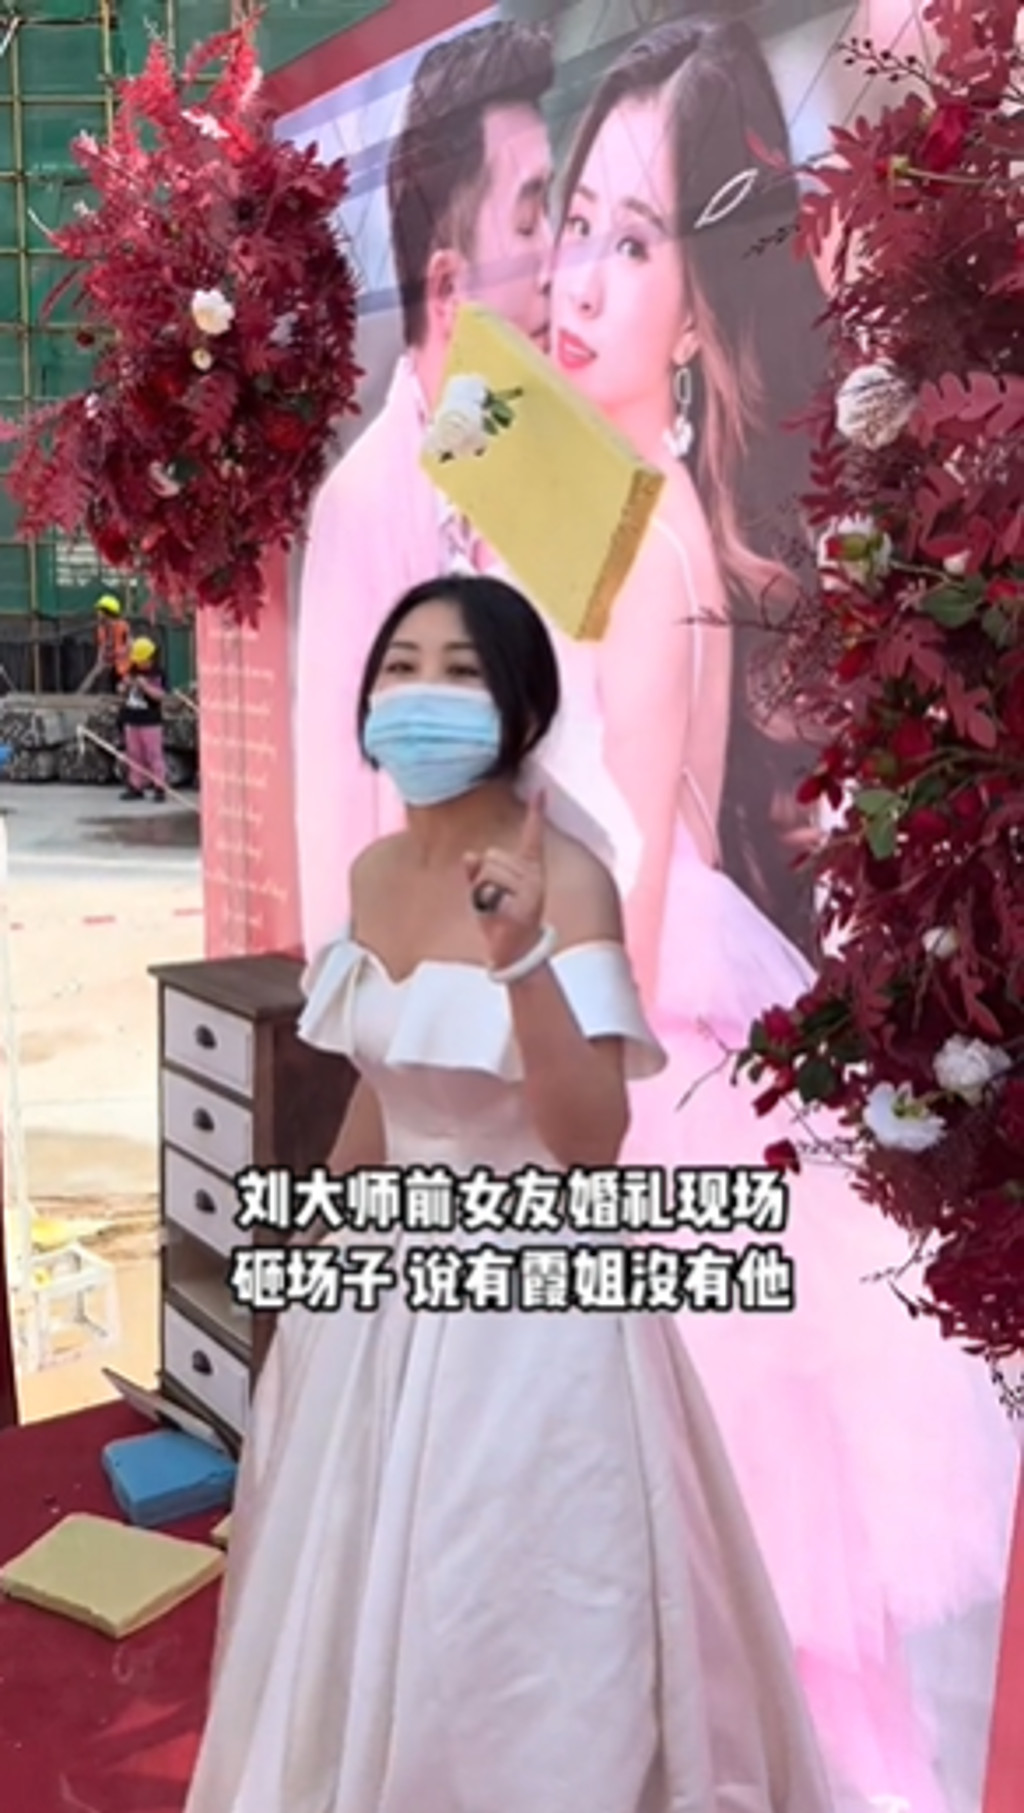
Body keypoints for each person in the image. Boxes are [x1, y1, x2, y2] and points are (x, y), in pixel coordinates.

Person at [540, 21, 1016, 1813]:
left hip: (641, 1051)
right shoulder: (605, 505)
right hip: (646, 1029)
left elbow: (625, 899)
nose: (578, 282)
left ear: (700, 305)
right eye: (573, 227)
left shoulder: (646, 535)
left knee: (708, 1612)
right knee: (717, 1627)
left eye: (633, 241)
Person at [186, 573, 832, 1813]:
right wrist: (320, 1237)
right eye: (401, 667)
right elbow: (384, 1082)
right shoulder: (373, 874)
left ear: (522, 708)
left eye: (460, 671)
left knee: (511, 1613)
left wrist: (524, 956)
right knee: (355, 1590)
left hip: (534, 1305)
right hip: (381, 1296)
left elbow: (591, 1141)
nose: (420, 695)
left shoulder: (568, 877)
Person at [295, 21, 557, 962]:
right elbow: (341, 811)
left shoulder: (556, 462)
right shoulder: (366, 502)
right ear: (447, 287)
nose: (559, 259)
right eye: (529, 222)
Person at [117, 636, 167, 801]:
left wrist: (145, 686)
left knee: (153, 753)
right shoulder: (132, 671)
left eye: (142, 661)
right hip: (132, 718)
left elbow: (160, 696)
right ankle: (136, 785)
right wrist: (124, 687)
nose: (139, 664)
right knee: (134, 753)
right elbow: (122, 691)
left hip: (150, 720)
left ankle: (159, 785)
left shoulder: (157, 674)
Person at [82, 592, 132, 695]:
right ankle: (80, 696)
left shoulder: (122, 626)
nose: (98, 613)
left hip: (123, 664)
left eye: (100, 611)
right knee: (94, 674)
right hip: (108, 660)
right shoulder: (101, 630)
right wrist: (100, 662)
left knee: (122, 685)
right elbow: (101, 649)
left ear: (107, 613)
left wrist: (117, 654)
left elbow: (130, 646)